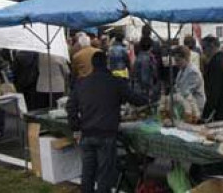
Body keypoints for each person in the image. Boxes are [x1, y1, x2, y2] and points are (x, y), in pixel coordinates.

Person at [67, 51, 148, 193]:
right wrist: (149, 100)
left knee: (88, 173)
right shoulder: (115, 82)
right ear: (107, 64)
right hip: (106, 135)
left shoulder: (82, 82)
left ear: (92, 65)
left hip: (87, 133)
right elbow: (135, 99)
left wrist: (76, 126)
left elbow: (70, 106)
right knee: (104, 175)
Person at [173, 46, 206, 113]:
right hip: (187, 106)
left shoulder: (193, 72)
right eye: (175, 60)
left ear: (186, 58)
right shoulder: (181, 70)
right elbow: (177, 87)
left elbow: (185, 92)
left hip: (196, 107)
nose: (176, 63)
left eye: (178, 60)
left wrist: (172, 98)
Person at [132, 37, 160, 101]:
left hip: (138, 89)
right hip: (144, 92)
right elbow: (144, 78)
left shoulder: (139, 57)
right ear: (150, 47)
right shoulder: (146, 59)